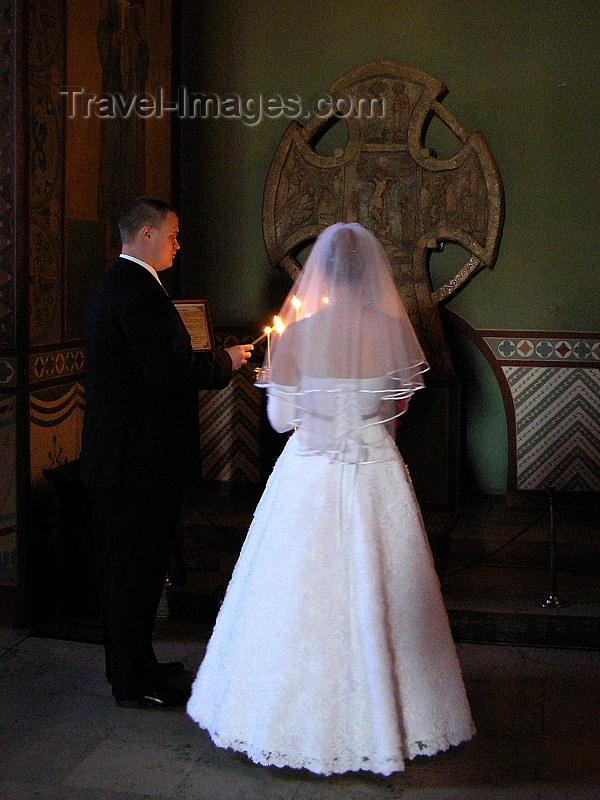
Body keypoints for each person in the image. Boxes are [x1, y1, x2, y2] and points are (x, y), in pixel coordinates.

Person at [187, 222, 474, 775]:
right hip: (375, 474)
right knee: (382, 594)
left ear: (318, 273)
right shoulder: (391, 330)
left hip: (308, 477)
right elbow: (395, 418)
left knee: (296, 596)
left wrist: (315, 415)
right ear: (371, 274)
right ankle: (387, 718)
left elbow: (279, 419)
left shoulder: (299, 331)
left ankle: (285, 718)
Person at [80, 196, 252, 708]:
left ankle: (136, 667)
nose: (179, 244)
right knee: (135, 574)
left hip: (125, 459)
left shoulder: (123, 285)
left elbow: (154, 364)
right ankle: (133, 683)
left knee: (133, 573)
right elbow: (169, 372)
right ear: (147, 235)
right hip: (136, 464)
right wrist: (226, 361)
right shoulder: (136, 292)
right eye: (173, 235)